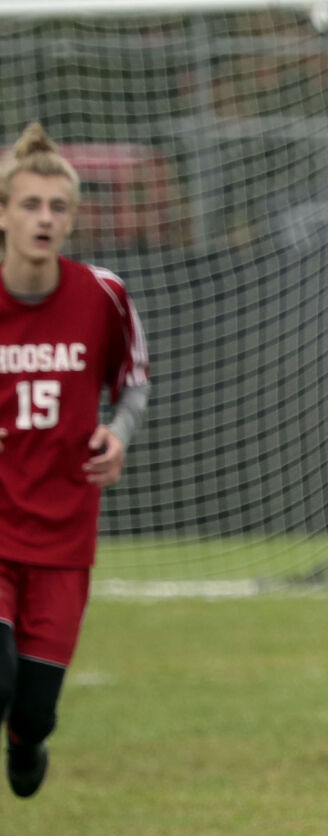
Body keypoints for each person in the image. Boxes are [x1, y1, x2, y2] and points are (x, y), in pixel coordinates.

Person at [0, 123, 148, 800]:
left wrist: (117, 433)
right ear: (3, 213)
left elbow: (133, 382)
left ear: (73, 219)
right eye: (30, 205)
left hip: (64, 533)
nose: (44, 218)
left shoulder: (102, 296)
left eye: (57, 208)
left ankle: (28, 741)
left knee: (33, 710)